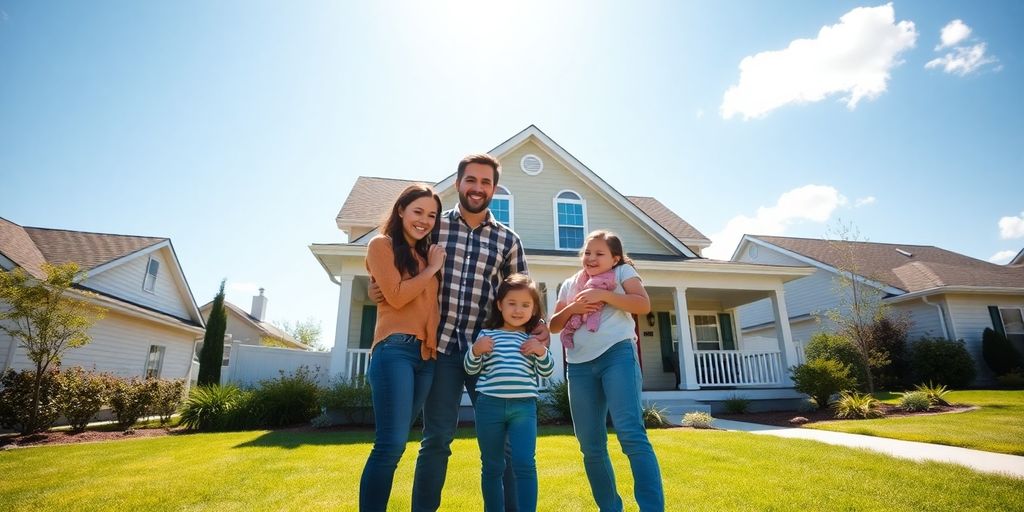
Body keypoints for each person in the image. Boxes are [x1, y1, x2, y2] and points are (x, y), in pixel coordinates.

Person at [369, 154, 550, 512]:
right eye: (471, 180)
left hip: (491, 353)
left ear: (495, 189)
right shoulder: (434, 226)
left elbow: (521, 290)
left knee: (506, 446)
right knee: (436, 439)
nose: (477, 188)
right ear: (458, 183)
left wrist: (539, 325)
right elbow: (402, 264)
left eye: (485, 182)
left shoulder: (507, 240)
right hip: (441, 351)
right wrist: (379, 288)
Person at [550, 230, 665, 512]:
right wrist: (574, 307)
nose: (591, 258)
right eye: (587, 253)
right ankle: (609, 508)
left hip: (617, 355)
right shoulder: (569, 284)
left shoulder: (623, 273)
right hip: (578, 366)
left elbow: (642, 304)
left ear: (614, 258)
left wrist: (603, 294)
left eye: (599, 254)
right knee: (590, 445)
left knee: (630, 434)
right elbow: (553, 325)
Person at [359, 184, 446, 512]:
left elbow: (423, 300)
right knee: (389, 445)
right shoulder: (381, 245)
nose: (425, 220)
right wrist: (431, 270)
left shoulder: (426, 254)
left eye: (432, 215)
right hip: (394, 350)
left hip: (427, 356)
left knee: (397, 445)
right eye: (418, 211)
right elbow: (396, 296)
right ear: (401, 211)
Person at [464, 274, 553, 512]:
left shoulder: (532, 339)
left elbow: (547, 370)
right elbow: (471, 369)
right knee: (492, 465)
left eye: (525, 305)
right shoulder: (486, 336)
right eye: (512, 303)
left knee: (525, 462)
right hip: (489, 406)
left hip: (524, 408)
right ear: (500, 305)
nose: (518, 310)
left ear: (534, 309)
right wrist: (475, 351)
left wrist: (541, 351)